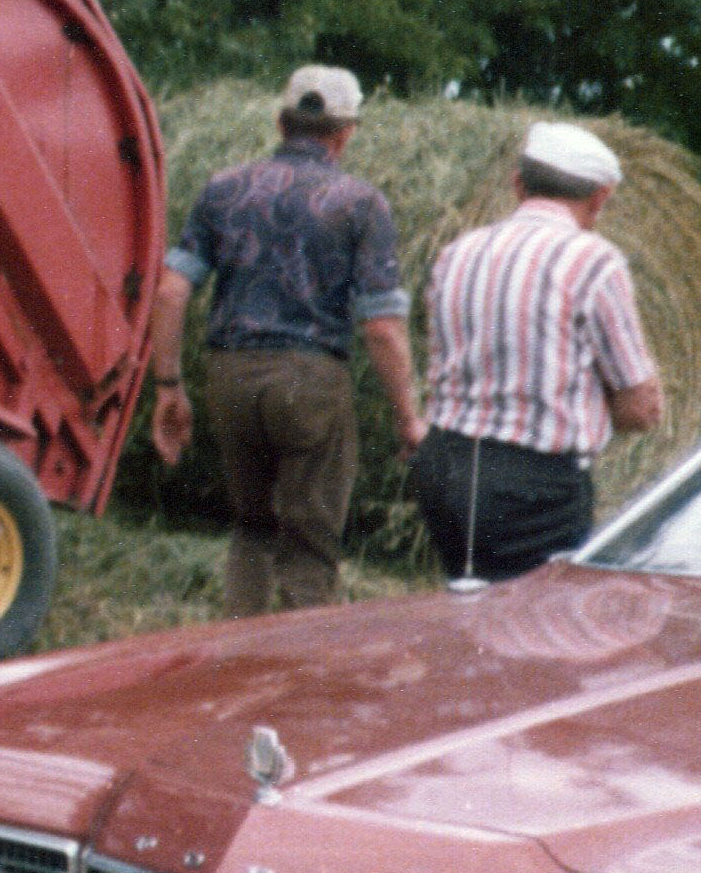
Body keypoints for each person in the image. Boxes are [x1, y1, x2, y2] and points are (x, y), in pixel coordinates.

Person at [147, 64, 425, 615]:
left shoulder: (222, 188)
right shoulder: (361, 203)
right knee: (310, 546)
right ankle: (301, 681)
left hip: (230, 377)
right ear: (346, 132)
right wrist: (406, 418)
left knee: (252, 528)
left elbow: (171, 292)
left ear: (280, 122)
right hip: (311, 381)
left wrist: (168, 387)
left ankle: (238, 662)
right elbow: (382, 327)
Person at [409, 121, 664, 584]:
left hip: (443, 466)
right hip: (533, 484)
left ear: (517, 183)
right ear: (601, 197)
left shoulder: (456, 252)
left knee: (465, 618)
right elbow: (641, 407)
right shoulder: (595, 261)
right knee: (535, 636)